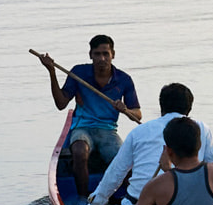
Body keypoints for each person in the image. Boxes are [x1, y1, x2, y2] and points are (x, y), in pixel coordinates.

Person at [83, 82, 213, 205]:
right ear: (189, 111)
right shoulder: (202, 130)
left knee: (134, 203)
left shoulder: (139, 132)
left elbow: (114, 175)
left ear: (161, 107)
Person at [32, 35, 139, 194]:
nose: (102, 58)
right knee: (80, 152)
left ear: (113, 54)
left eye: (106, 54)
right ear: (90, 55)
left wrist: (125, 110)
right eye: (97, 54)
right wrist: (52, 72)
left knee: (125, 162)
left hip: (108, 131)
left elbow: (137, 114)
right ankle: (83, 200)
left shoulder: (124, 79)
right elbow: (61, 104)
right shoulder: (78, 73)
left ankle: (127, 197)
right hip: (82, 128)